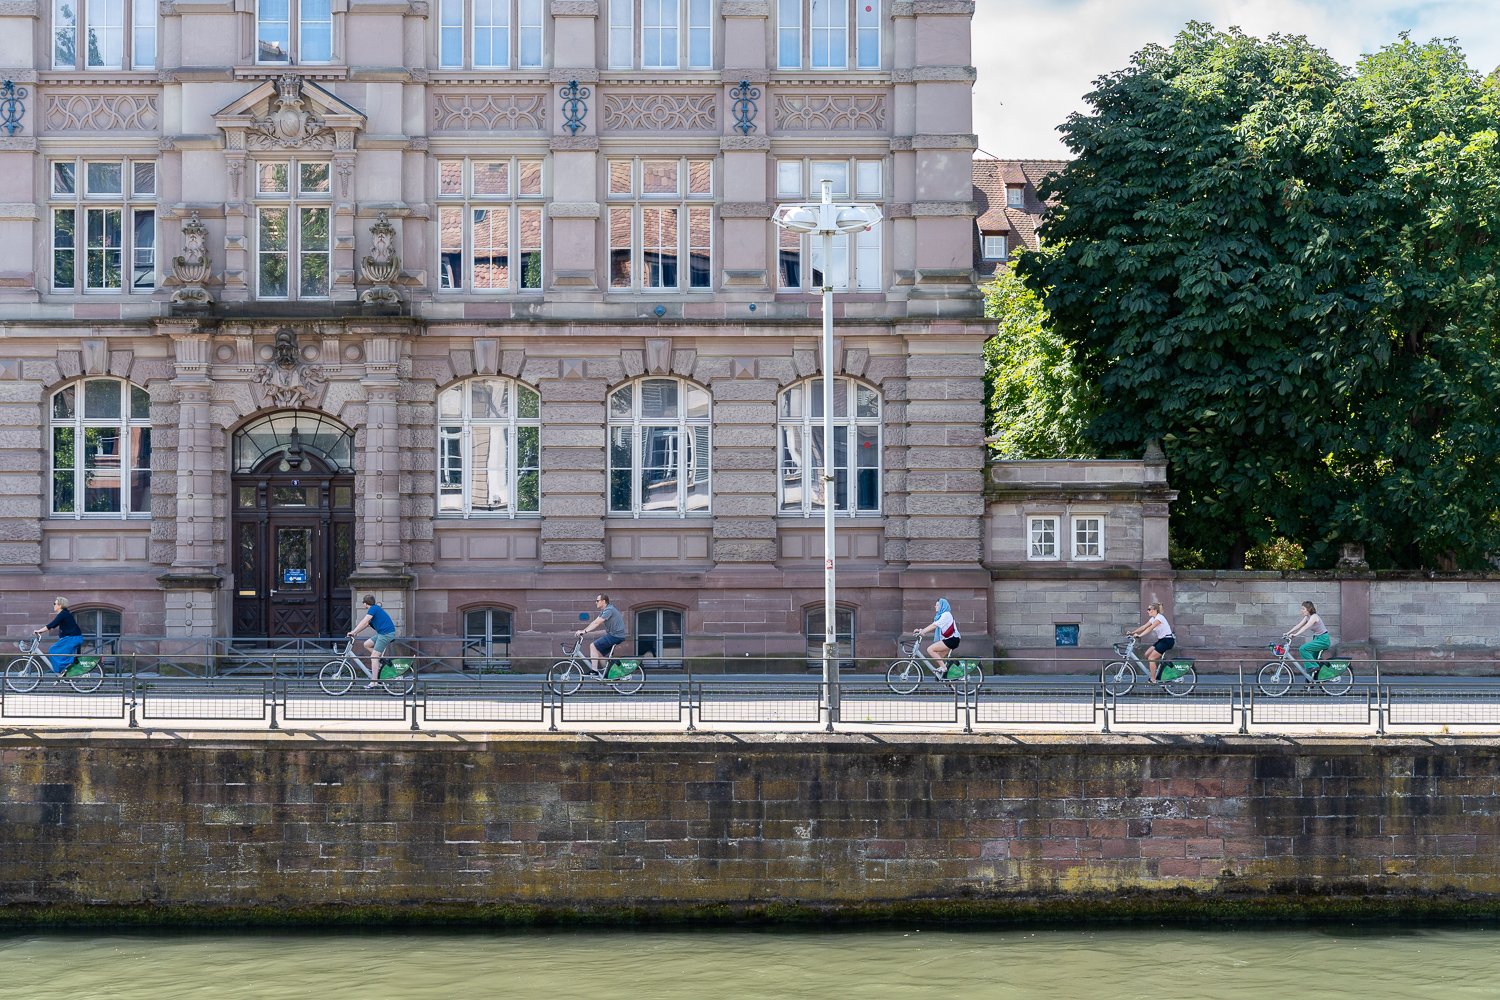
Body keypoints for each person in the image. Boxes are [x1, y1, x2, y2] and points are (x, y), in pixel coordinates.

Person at [347, 594, 397, 689]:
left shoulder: (373, 609)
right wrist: (356, 632)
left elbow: (364, 621)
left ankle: (374, 682)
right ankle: (380, 659)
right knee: (367, 644)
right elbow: (366, 624)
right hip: (382, 633)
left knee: (374, 656)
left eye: (363, 603)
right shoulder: (375, 609)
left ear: (365, 604)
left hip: (386, 634)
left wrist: (353, 631)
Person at [576, 594, 627, 676]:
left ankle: (594, 671)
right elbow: (594, 622)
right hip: (614, 635)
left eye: (597, 601)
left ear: (603, 601)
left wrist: (584, 632)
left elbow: (597, 623)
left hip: (615, 636)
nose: (595, 602)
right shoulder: (604, 610)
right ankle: (609, 673)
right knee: (598, 653)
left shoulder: (609, 610)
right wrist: (583, 630)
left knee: (593, 646)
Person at [34, 596, 84, 677]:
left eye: (55, 603)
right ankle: (65, 669)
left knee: (53, 650)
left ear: (60, 605)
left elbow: (51, 624)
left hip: (72, 638)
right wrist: (42, 631)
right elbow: (53, 625)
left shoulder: (63, 614)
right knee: (59, 652)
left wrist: (39, 631)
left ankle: (65, 669)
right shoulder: (64, 614)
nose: (53, 605)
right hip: (72, 638)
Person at [1128, 601, 1174, 683]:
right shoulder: (1153, 618)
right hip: (1162, 640)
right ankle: (1160, 669)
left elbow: (1150, 628)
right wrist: (1132, 632)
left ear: (1155, 610)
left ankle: (1153, 679)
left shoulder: (1159, 618)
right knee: (1147, 654)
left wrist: (1140, 635)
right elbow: (1144, 626)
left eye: (1149, 609)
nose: (1147, 611)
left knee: (1151, 658)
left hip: (1167, 640)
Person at [1286, 600, 1331, 674]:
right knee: (1313, 658)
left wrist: (1295, 635)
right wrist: (1288, 633)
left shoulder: (1314, 617)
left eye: (1303, 609)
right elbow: (1298, 625)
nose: (1301, 610)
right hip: (1317, 639)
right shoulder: (1307, 617)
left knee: (1303, 648)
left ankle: (1313, 666)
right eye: (1301, 609)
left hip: (1323, 640)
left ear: (1309, 609)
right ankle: (1312, 681)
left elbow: (1305, 627)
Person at [913, 598, 961, 667]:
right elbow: (933, 624)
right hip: (950, 639)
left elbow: (934, 625)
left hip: (952, 639)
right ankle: (946, 673)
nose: (935, 606)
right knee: (938, 657)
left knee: (930, 649)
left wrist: (923, 631)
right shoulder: (940, 616)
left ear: (942, 606)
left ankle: (944, 668)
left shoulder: (946, 614)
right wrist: (921, 630)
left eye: (937, 605)